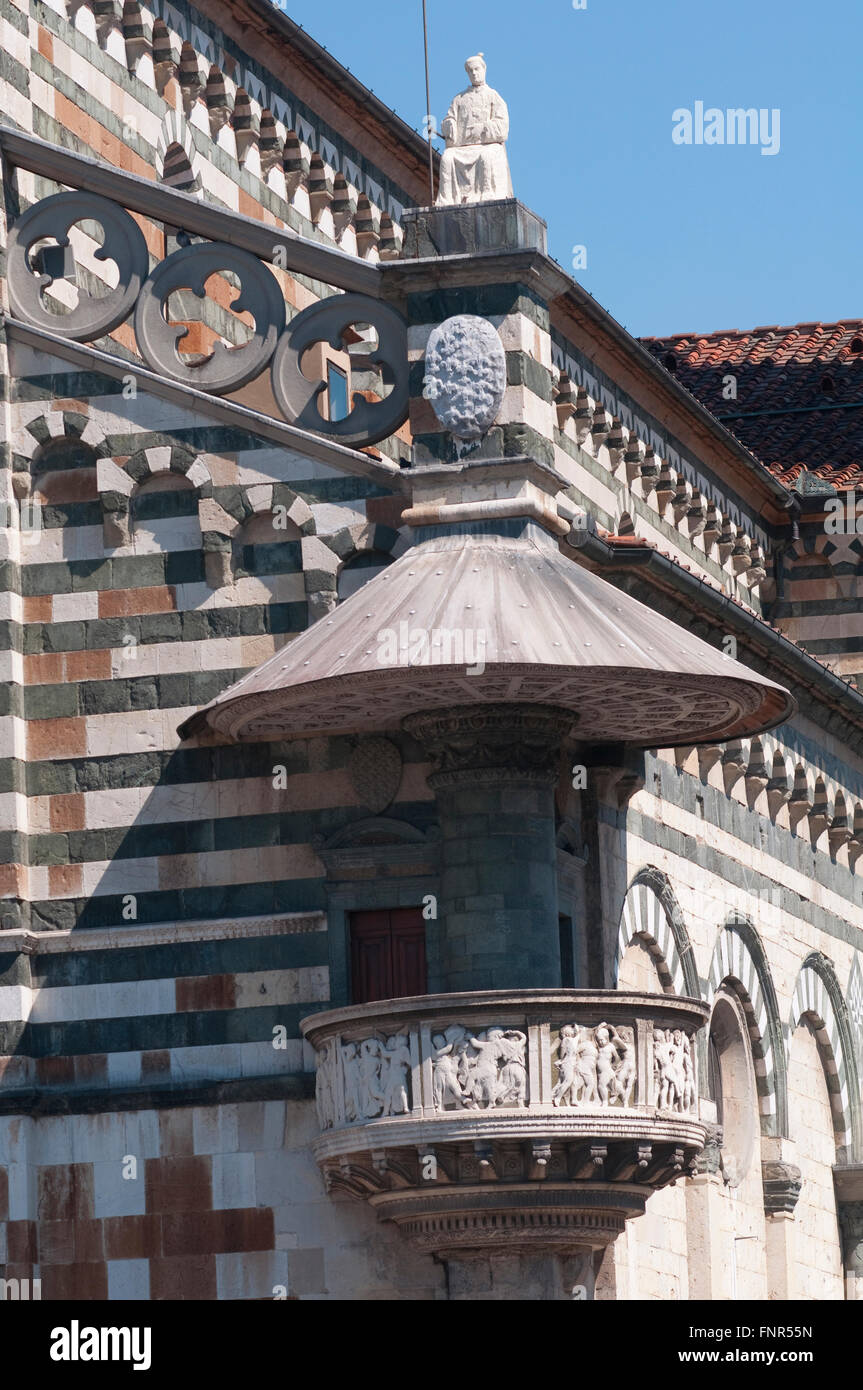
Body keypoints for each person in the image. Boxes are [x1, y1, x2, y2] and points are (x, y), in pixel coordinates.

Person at [436, 54, 513, 207]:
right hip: (463, 148)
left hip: (487, 145)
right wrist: (449, 126)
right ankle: (447, 199)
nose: (474, 74)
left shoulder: (494, 97)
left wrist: (483, 129)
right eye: (470, 71)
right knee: (447, 157)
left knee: (486, 155)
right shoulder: (459, 99)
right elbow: (449, 118)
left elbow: (503, 128)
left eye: (477, 69)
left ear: (484, 69)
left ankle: (485, 193)